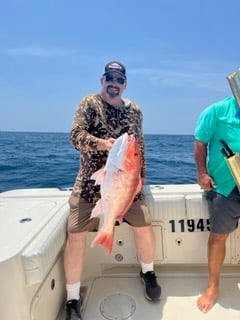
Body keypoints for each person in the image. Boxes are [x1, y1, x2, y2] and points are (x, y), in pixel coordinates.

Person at [64, 61, 161, 320]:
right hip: (88, 184)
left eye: (119, 80)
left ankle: (148, 272)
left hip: (126, 185)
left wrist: (139, 182)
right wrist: (102, 145)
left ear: (125, 83)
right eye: (110, 78)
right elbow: (75, 136)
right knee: (75, 235)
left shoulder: (135, 111)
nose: (114, 84)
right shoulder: (89, 103)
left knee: (144, 225)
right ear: (102, 80)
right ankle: (72, 298)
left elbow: (139, 148)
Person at [194, 94, 240, 313]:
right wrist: (202, 173)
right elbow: (200, 142)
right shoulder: (216, 111)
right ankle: (213, 286)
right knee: (218, 237)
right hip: (225, 185)